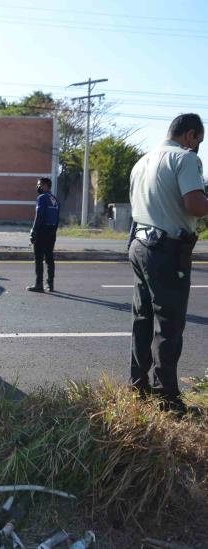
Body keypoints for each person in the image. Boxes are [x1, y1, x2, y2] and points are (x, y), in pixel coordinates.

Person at [128, 113, 208, 414]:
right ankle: (168, 400)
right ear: (190, 136)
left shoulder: (143, 161)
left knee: (143, 320)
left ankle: (138, 386)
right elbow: (195, 204)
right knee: (169, 326)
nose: (197, 146)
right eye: (198, 141)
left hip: (138, 244)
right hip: (166, 250)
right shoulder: (185, 159)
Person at [27, 177, 60, 293]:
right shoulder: (55, 199)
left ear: (45, 185)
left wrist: (33, 231)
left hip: (42, 230)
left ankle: (38, 284)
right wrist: (53, 232)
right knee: (49, 258)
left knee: (38, 258)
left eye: (39, 184)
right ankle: (50, 285)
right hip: (52, 231)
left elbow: (39, 215)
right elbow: (57, 219)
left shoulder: (41, 198)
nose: (37, 187)